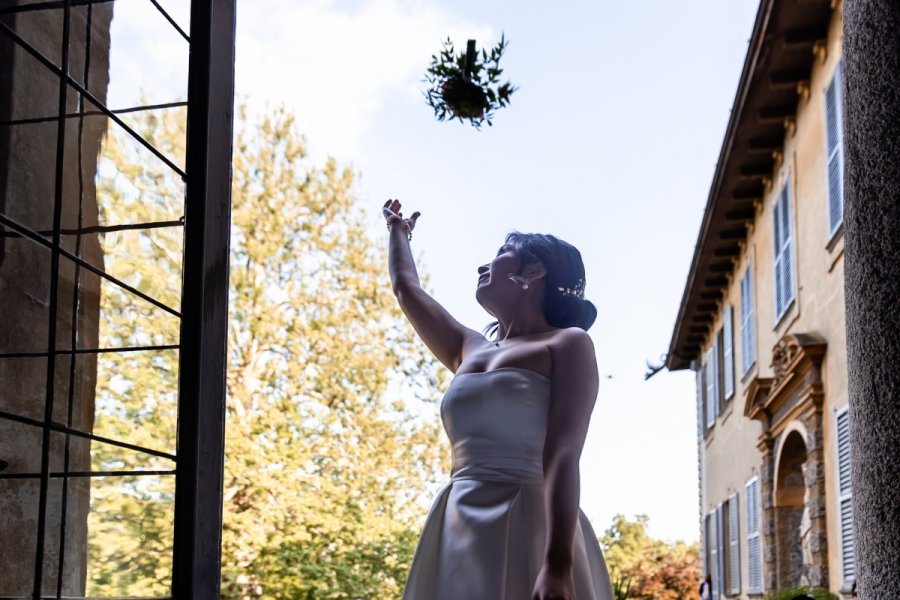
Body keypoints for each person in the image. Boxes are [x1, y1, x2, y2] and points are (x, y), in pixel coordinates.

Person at [383, 199, 613, 600]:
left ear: (535, 271)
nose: (482, 266)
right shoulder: (467, 348)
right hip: (459, 523)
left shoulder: (569, 344)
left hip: (535, 522)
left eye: (502, 255)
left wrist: (557, 565)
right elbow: (407, 289)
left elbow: (563, 454)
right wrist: (398, 233)